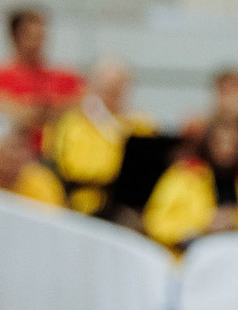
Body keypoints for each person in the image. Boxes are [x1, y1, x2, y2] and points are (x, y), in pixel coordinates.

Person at [141, 112, 238, 250]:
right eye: (220, 142)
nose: (226, 149)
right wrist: (203, 225)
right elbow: (155, 223)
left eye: (233, 143)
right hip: (192, 260)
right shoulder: (184, 175)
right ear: (208, 142)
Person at [46, 59, 157, 216]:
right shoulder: (74, 123)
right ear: (93, 87)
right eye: (108, 88)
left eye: (119, 87)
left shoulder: (142, 123)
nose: (114, 93)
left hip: (133, 204)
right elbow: (72, 168)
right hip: (87, 204)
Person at [0, 6, 83, 120]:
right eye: (30, 36)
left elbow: (83, 103)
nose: (37, 43)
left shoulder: (66, 77)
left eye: (40, 36)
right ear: (14, 36)